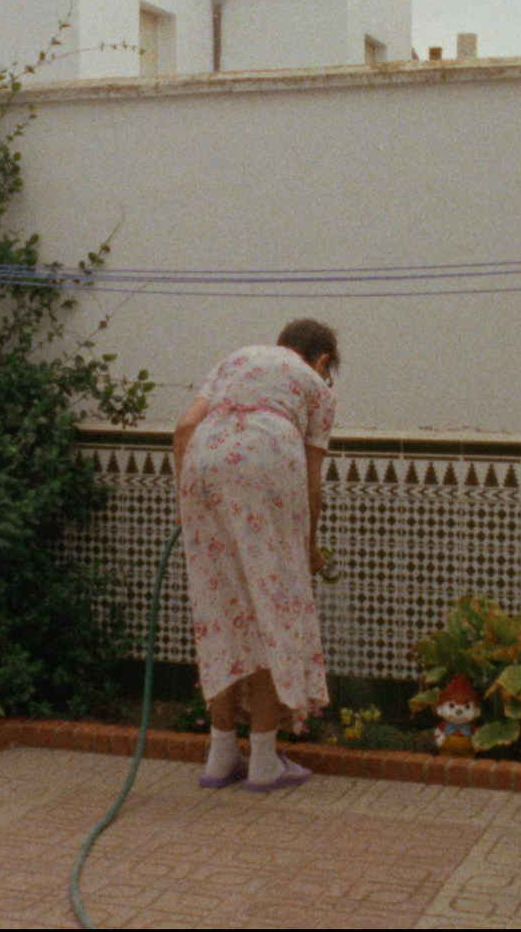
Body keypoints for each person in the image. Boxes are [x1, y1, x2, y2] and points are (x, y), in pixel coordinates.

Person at [172, 318, 338, 792]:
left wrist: (187, 511)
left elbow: (184, 427)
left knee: (217, 612)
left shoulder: (235, 359)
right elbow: (311, 483)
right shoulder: (314, 386)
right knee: (272, 612)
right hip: (267, 464)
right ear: (322, 360)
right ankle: (264, 762)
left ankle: (220, 756)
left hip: (202, 465)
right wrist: (308, 549)